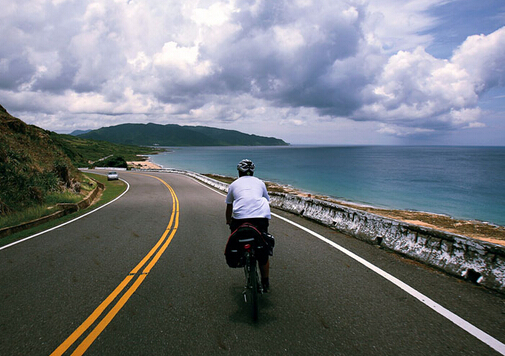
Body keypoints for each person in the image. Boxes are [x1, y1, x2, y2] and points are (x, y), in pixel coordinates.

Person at [226, 159, 271, 291]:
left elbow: (229, 206)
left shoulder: (234, 184)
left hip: (240, 219)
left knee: (236, 237)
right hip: (260, 218)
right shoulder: (260, 182)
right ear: (252, 172)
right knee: (263, 248)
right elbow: (266, 200)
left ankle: (240, 258)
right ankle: (265, 282)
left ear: (239, 172)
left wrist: (228, 221)